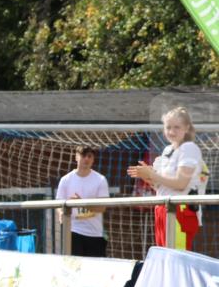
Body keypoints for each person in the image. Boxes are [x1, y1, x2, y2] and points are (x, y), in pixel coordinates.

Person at [127, 106, 204, 250]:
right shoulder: (167, 150)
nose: (172, 131)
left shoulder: (189, 148)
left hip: (180, 211)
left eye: (177, 127)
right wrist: (147, 176)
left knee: (177, 260)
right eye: (168, 127)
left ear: (186, 128)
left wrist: (152, 174)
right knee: (166, 258)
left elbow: (181, 184)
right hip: (162, 208)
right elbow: (161, 186)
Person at [55, 146, 109, 257]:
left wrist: (81, 203)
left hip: (94, 233)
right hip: (73, 231)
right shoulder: (66, 180)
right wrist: (61, 213)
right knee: (74, 268)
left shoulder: (100, 180)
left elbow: (102, 207)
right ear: (76, 157)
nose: (86, 159)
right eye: (83, 155)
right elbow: (59, 202)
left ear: (93, 159)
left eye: (89, 156)